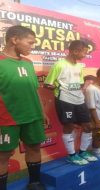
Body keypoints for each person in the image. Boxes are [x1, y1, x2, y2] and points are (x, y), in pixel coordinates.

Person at [0, 25, 46, 190]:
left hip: (33, 116)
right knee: (3, 155)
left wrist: (42, 112)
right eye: (30, 42)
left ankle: (34, 182)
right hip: (6, 119)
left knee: (34, 147)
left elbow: (34, 90)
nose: (32, 47)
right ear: (14, 39)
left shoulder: (28, 63)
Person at [44, 40, 97, 166]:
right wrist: (60, 88)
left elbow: (78, 84)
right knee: (69, 127)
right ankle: (72, 155)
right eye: (84, 52)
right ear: (75, 51)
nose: (85, 55)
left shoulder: (79, 66)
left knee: (88, 126)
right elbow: (47, 84)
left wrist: (82, 86)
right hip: (65, 101)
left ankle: (83, 152)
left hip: (79, 100)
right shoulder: (59, 64)